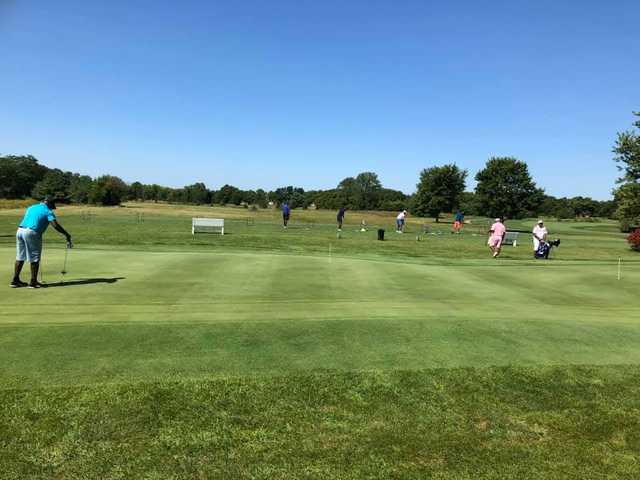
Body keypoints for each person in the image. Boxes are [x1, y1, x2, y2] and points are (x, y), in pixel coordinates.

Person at [11, 197, 72, 288]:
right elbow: (55, 225)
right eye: (52, 206)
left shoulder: (31, 207)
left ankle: (15, 281)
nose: (52, 208)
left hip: (20, 231)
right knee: (34, 258)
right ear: (48, 204)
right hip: (32, 232)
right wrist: (66, 234)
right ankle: (33, 282)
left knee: (20, 257)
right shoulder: (48, 211)